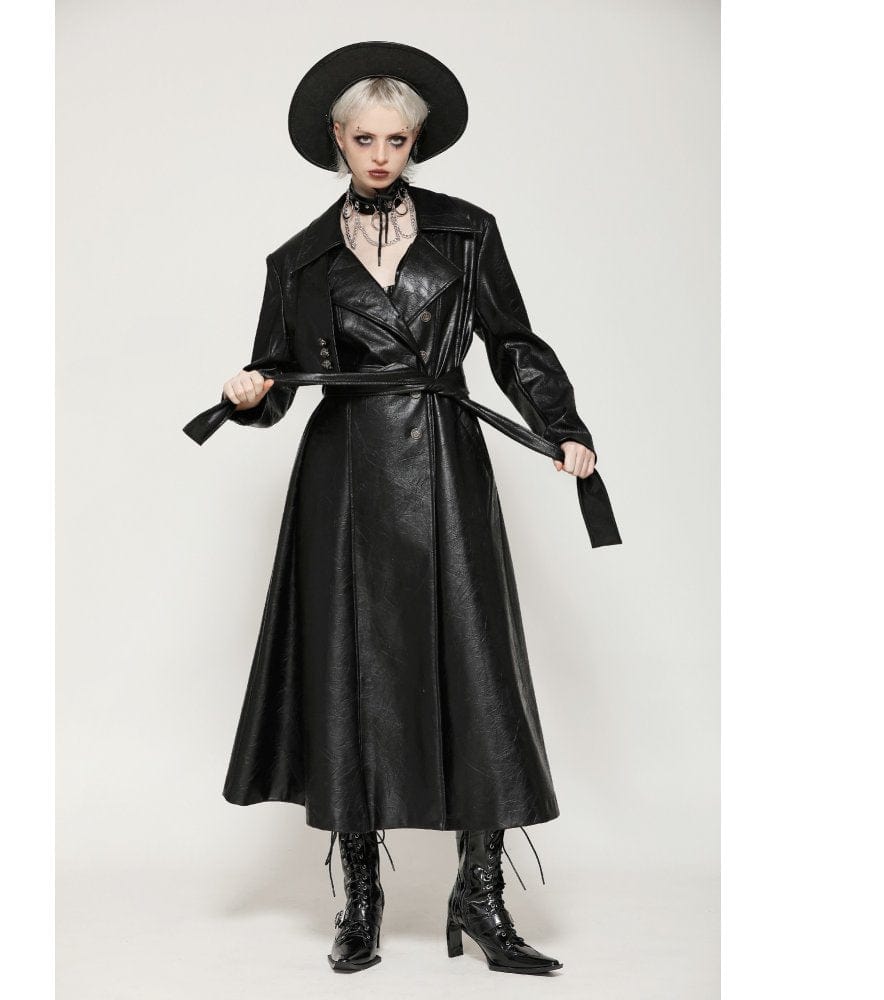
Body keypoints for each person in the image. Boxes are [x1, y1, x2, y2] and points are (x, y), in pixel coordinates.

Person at [183, 40, 622, 976]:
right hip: (343, 477)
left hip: (445, 462)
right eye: (365, 138)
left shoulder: (467, 232)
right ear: (336, 140)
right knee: (350, 667)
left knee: (474, 661)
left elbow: (513, 343)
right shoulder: (298, 261)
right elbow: (278, 375)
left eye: (397, 139)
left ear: (416, 143)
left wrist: (563, 426)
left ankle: (482, 895)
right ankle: (361, 898)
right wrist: (249, 392)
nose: (381, 155)